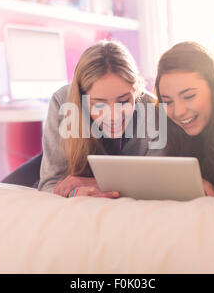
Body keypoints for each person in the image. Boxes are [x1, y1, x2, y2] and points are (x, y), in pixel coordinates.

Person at [38, 40, 157, 198]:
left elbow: (157, 183)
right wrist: (75, 192)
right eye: (99, 105)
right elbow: (50, 184)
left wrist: (92, 183)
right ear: (82, 100)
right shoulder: (62, 102)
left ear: (136, 91)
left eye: (123, 101)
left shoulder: (153, 109)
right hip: (61, 155)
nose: (114, 116)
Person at [152, 42, 214, 199]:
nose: (179, 112)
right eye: (167, 102)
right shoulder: (166, 131)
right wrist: (189, 182)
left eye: (189, 96)